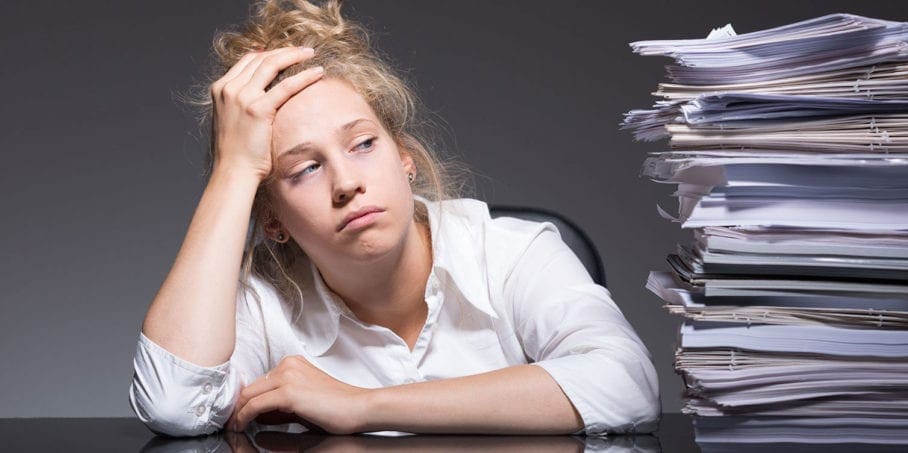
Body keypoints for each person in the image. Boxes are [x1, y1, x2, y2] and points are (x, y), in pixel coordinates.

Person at [128, 0, 660, 437]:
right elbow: (175, 403)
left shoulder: (514, 252)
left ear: (404, 158)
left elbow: (626, 384)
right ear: (271, 221)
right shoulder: (262, 300)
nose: (346, 183)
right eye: (305, 169)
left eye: (362, 144)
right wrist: (235, 170)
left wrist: (364, 406)